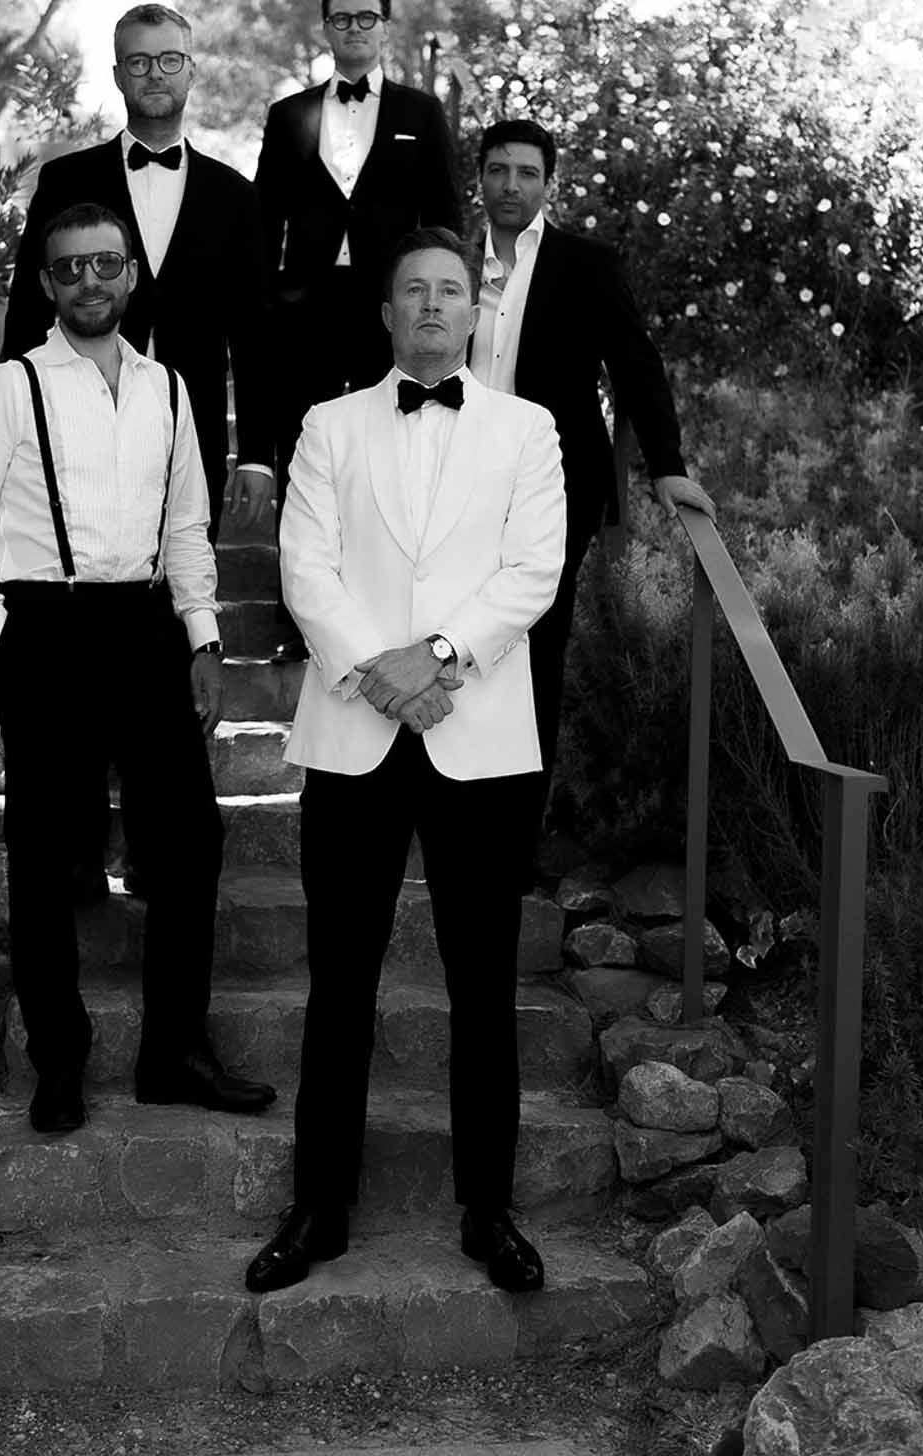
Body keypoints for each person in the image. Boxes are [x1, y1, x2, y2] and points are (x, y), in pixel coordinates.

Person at [244, 227, 565, 1297]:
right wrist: (372, 672)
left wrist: (432, 657)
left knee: (482, 984)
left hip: (479, 734)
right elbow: (305, 566)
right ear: (385, 314)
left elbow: (532, 573)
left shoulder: (529, 429)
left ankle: (489, 1207)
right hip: (353, 727)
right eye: (412, 290)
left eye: (450, 290)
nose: (432, 305)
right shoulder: (327, 424)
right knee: (341, 978)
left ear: (474, 312)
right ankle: (318, 1203)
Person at [0, 201, 276, 1135]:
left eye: (106, 265)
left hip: (149, 628)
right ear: (48, 285)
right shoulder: (11, 387)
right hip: (44, 625)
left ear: (130, 276)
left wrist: (204, 638)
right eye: (71, 268)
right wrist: (0, 635)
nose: (91, 281)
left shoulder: (169, 390)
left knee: (192, 840)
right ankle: (60, 1060)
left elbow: (188, 527)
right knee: (46, 855)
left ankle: (173, 1052)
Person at [471, 118, 714, 774]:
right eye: (498, 170)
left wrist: (667, 467)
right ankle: (451, 803)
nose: (510, 185)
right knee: (455, 628)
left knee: (537, 639)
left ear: (549, 184)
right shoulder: (454, 264)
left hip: (554, 481)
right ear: (480, 179)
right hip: (455, 480)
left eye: (526, 172)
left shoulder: (586, 265)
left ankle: (519, 819)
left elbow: (636, 365)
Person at [1, 3, 273, 540]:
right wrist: (15, 427)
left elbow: (254, 330)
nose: (155, 73)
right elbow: (29, 307)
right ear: (119, 75)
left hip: (192, 430)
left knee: (184, 586)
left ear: (192, 71)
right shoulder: (64, 181)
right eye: (140, 61)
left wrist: (258, 455)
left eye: (170, 60)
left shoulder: (236, 196)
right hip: (73, 422)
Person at [253, 0, 465, 660]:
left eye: (366, 18)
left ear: (385, 27)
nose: (354, 29)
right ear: (326, 29)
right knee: (304, 457)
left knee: (390, 452)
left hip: (389, 311)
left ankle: (384, 605)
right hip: (303, 309)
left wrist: (440, 303)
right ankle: (300, 618)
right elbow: (265, 219)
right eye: (341, 19)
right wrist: (268, 296)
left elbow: (446, 219)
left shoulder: (422, 114)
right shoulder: (288, 115)